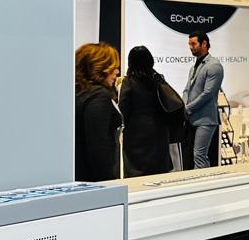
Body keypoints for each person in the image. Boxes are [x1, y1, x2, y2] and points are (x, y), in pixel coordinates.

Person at [120, 46, 177, 177]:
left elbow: (123, 108)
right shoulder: (159, 80)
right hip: (159, 132)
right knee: (159, 173)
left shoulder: (128, 82)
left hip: (135, 134)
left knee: (136, 173)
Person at [75, 42, 121, 182]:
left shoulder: (76, 92)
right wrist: (109, 183)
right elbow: (98, 146)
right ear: (100, 67)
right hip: (94, 180)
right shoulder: (99, 96)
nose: (117, 72)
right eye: (113, 67)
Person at [183, 32, 225, 168]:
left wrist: (187, 108)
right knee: (192, 157)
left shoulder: (214, 65)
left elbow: (208, 94)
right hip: (191, 118)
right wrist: (183, 106)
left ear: (204, 44)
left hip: (206, 119)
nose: (191, 47)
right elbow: (187, 89)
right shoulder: (194, 67)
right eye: (189, 44)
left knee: (199, 156)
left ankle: (204, 181)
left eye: (193, 44)